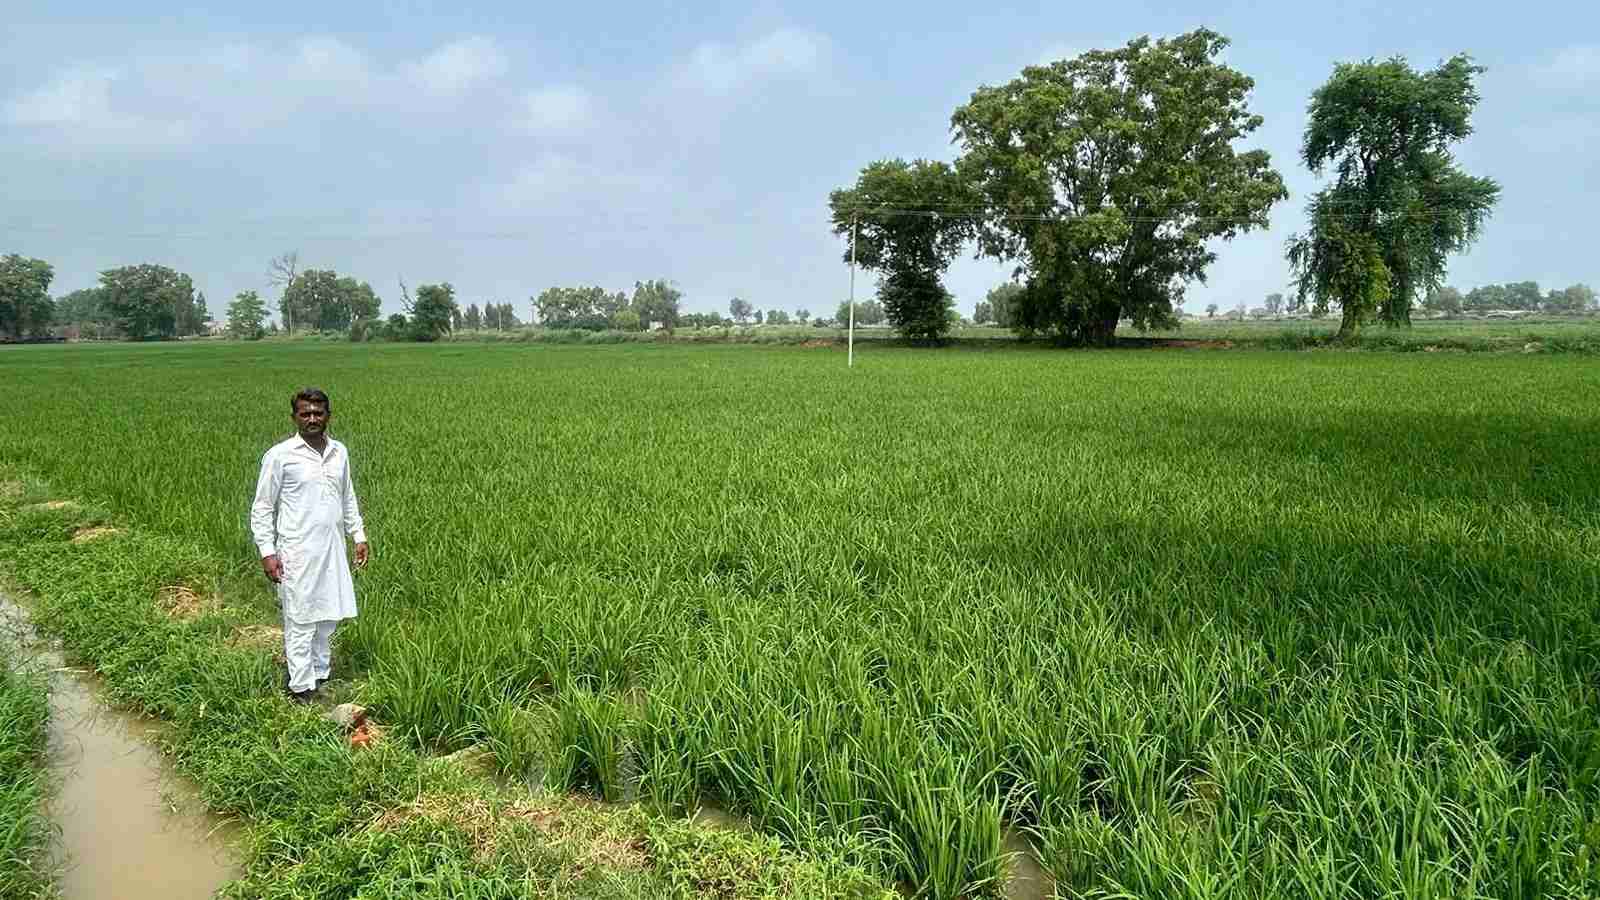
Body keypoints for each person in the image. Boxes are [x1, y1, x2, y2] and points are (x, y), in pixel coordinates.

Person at [249, 387, 370, 703]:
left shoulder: (338, 451)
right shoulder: (280, 456)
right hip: (297, 551)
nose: (312, 418)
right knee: (301, 618)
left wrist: (358, 535)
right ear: (295, 417)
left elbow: (347, 496)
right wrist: (267, 552)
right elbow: (262, 507)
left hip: (331, 550)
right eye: (305, 413)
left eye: (318, 413)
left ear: (328, 415)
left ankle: (320, 673)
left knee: (327, 615)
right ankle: (300, 687)